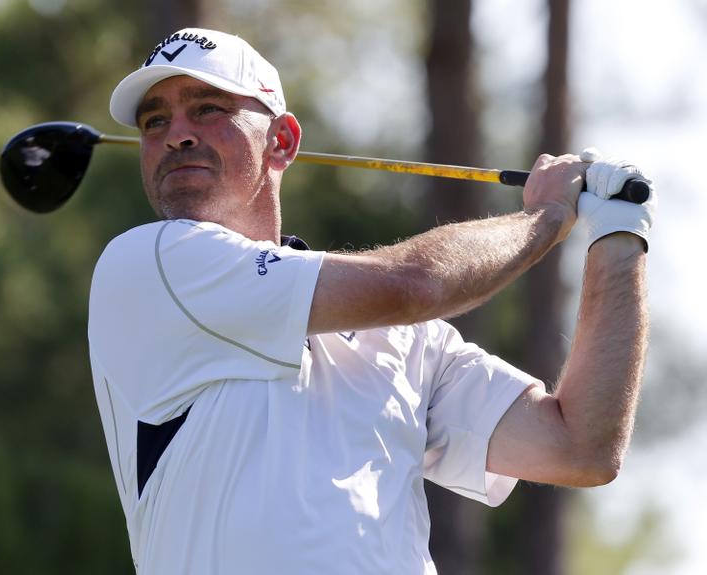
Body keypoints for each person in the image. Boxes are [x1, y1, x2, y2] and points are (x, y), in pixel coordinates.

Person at [87, 27, 655, 575]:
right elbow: (415, 286)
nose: (176, 133)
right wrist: (548, 216)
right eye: (154, 121)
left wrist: (619, 239)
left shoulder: (410, 341)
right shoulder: (149, 264)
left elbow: (579, 447)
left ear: (281, 141)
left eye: (207, 108)